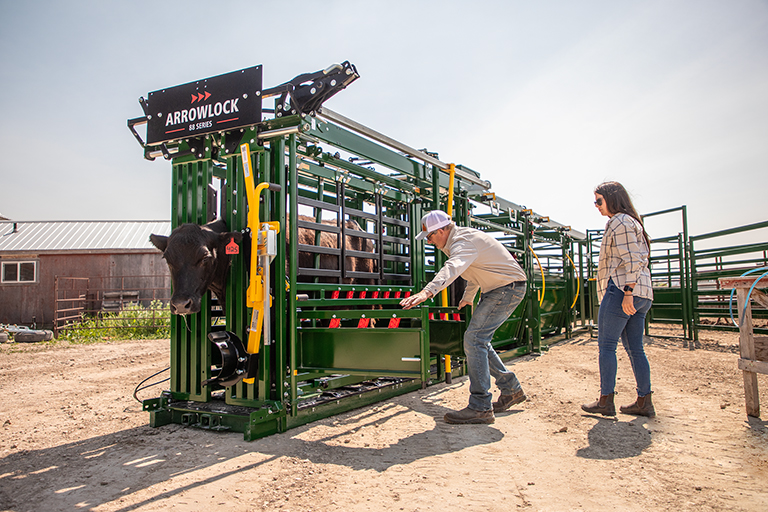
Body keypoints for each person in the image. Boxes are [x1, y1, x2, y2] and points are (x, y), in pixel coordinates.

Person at [401, 210, 528, 424]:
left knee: (474, 339)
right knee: (479, 341)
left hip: (506, 288)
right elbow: (475, 271)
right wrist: (468, 296)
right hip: (500, 288)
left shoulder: (462, 242)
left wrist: (427, 291)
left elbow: (453, 268)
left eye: (430, 236)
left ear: (441, 230)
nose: (430, 242)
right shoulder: (459, 242)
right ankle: (511, 389)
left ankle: (480, 407)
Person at [582, 181, 655, 417]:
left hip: (625, 290)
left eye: (599, 201)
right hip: (643, 292)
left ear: (612, 199)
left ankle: (606, 400)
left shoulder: (619, 221)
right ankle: (644, 400)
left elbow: (632, 260)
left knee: (606, 345)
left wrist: (627, 292)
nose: (596, 206)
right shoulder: (633, 222)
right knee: (636, 349)